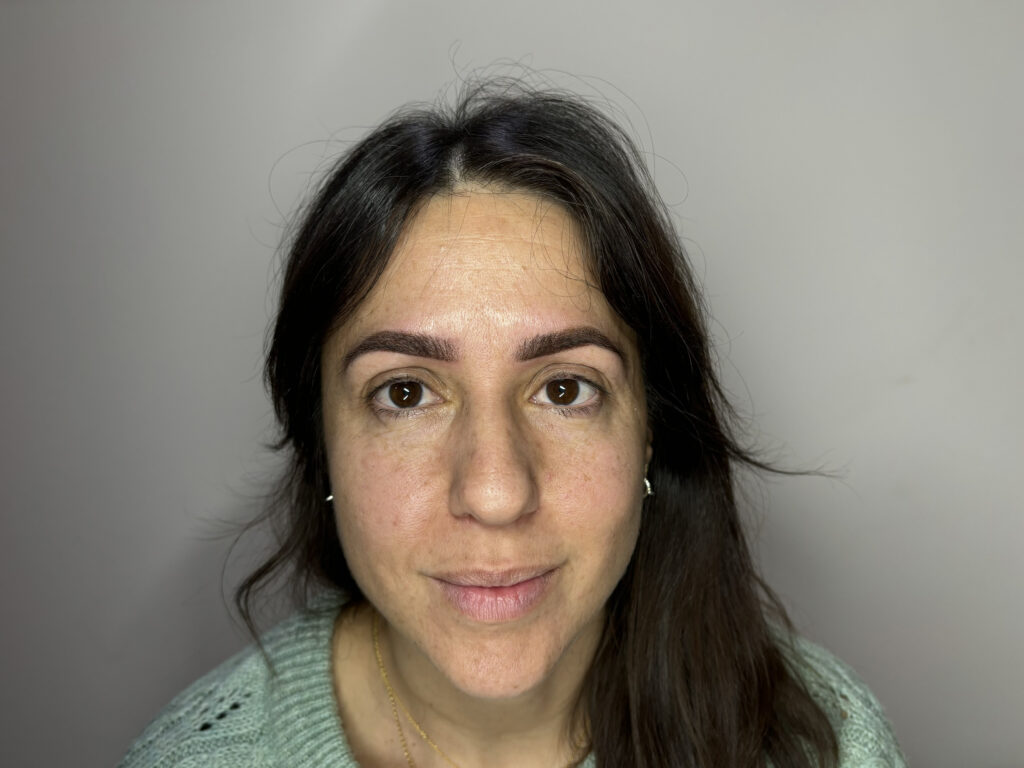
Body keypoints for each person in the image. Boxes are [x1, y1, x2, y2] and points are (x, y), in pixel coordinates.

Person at [120, 80, 906, 768]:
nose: (495, 492)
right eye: (405, 394)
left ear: (651, 429)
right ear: (321, 447)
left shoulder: (828, 746)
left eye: (565, 389)